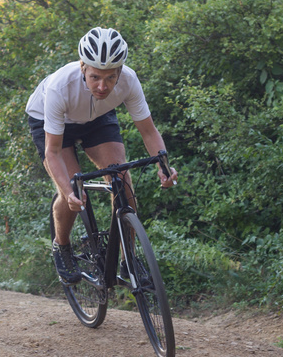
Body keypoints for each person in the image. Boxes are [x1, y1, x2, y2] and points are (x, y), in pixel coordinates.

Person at [26, 27, 178, 283]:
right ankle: (61, 246)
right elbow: (52, 152)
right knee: (73, 188)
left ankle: (127, 260)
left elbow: (149, 132)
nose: (102, 86)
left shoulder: (129, 80)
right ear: (82, 67)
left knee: (121, 178)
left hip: (96, 117)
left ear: (120, 72)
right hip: (52, 120)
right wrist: (68, 190)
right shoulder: (59, 87)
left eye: (110, 78)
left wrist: (164, 166)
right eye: (95, 76)